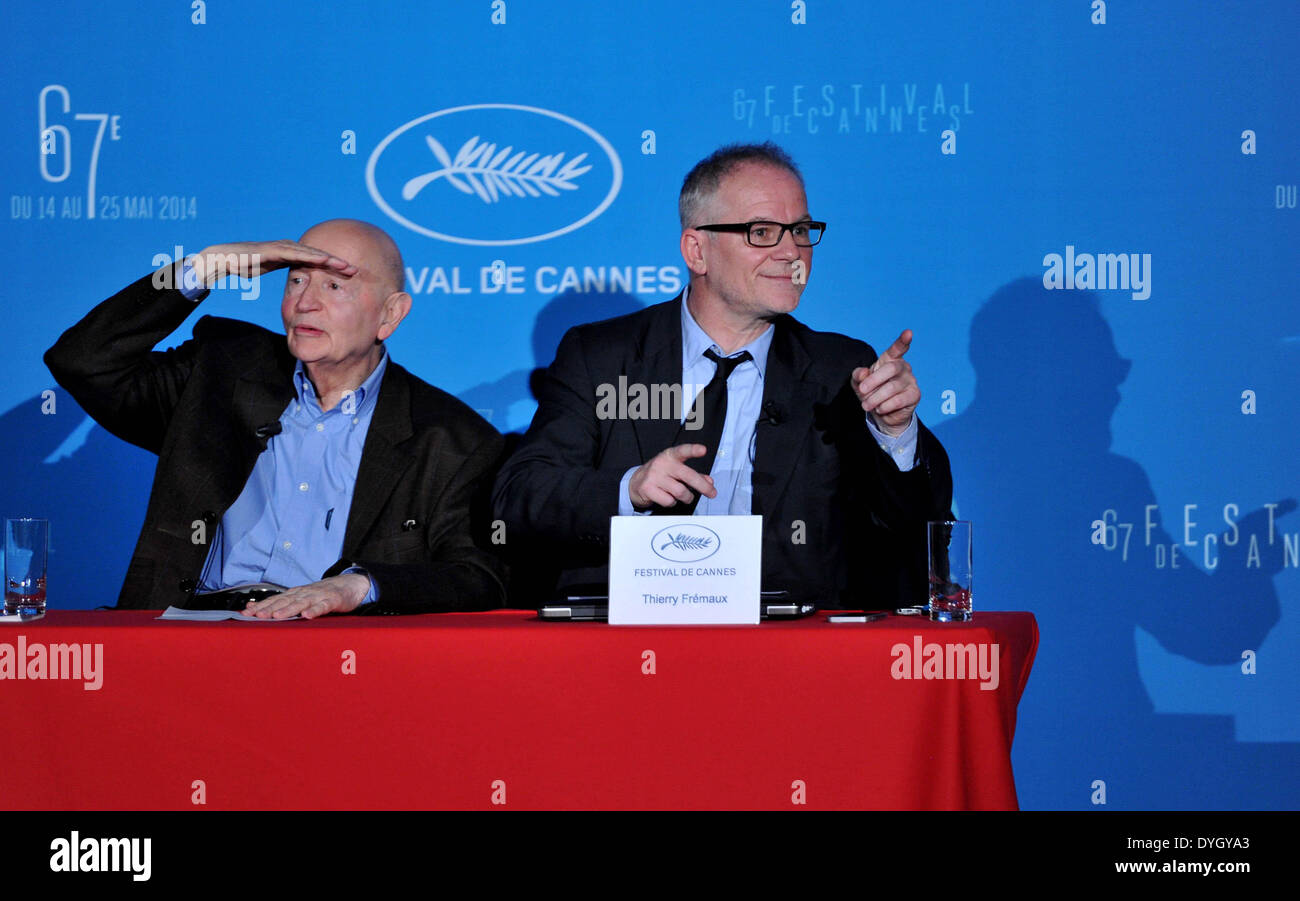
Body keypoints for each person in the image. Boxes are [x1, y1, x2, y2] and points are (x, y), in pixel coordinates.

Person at [492, 143, 953, 607]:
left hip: (790, 650)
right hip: (625, 641)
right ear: (697, 250)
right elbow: (519, 498)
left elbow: (913, 529)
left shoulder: (840, 369)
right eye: (763, 232)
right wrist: (628, 488)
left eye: (801, 230)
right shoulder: (600, 357)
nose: (792, 252)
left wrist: (895, 433)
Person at [45, 219, 505, 617]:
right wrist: (205, 266)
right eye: (297, 280)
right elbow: (82, 361)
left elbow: (479, 575)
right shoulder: (222, 369)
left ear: (390, 315)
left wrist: (360, 586)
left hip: (330, 649)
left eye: (334, 285)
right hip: (186, 633)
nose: (306, 302)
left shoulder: (450, 438)